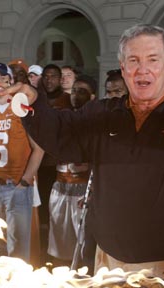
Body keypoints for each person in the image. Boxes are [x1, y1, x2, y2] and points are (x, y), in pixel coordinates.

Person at [10, 23, 164, 277]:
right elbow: (60, 135)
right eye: (133, 60)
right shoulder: (103, 113)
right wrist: (34, 102)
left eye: (153, 59)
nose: (142, 69)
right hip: (108, 260)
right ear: (123, 68)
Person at [0, 63, 44, 262]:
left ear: (11, 82)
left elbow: (39, 149)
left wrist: (25, 181)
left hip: (17, 185)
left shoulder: (22, 109)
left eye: (3, 78)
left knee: (18, 250)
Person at [47, 75, 96, 266]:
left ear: (92, 96)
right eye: (74, 91)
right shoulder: (64, 118)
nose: (76, 95)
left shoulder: (96, 122)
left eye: (82, 91)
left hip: (83, 187)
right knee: (59, 240)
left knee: (82, 243)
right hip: (61, 185)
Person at [37, 63, 72, 263]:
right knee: (40, 208)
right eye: (46, 76)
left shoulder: (67, 100)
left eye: (53, 77)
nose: (49, 80)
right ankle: (42, 250)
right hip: (38, 164)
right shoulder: (37, 99)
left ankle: (57, 253)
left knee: (56, 211)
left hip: (56, 165)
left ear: (60, 80)